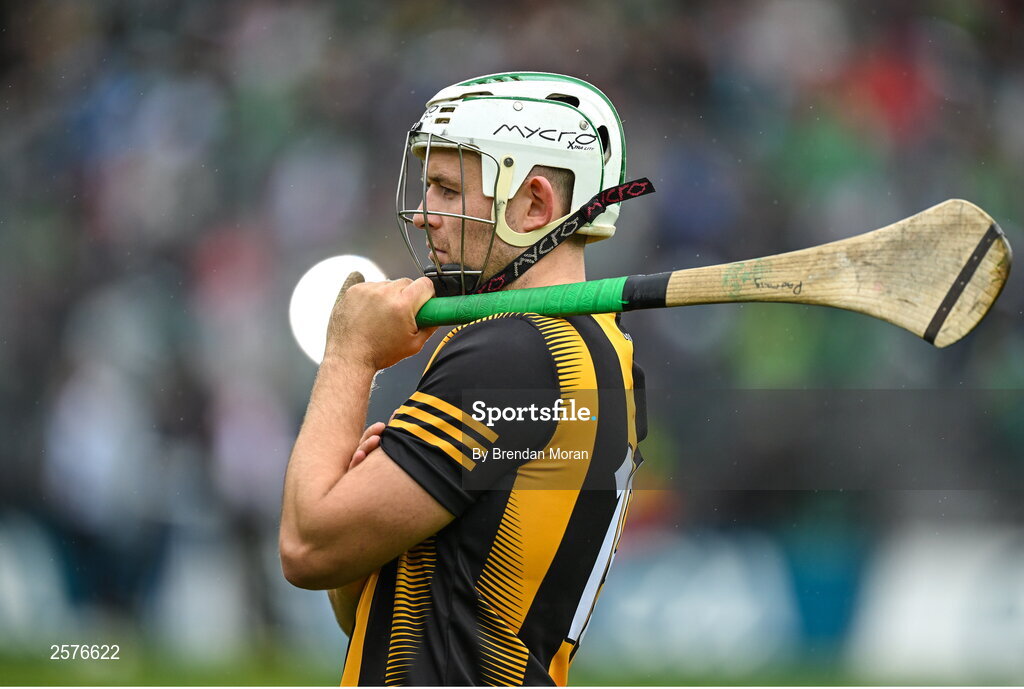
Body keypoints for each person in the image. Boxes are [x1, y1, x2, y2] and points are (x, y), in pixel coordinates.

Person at [280, 72, 649, 686]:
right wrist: (364, 506)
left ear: (534, 204)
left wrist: (349, 355)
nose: (426, 216)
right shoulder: (605, 356)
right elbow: (376, 608)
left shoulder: (513, 354)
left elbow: (307, 548)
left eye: (448, 190)